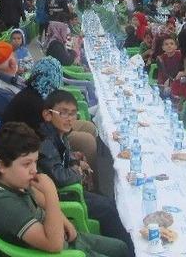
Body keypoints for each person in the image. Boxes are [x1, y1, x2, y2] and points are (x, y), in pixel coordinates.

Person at [0, 122, 128, 257]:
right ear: (2, 166)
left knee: (121, 247)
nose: (33, 170)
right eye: (26, 164)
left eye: (35, 162)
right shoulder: (1, 204)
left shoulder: (16, 182)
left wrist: (65, 222)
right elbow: (54, 245)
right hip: (54, 251)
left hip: (63, 237)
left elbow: (41, 201)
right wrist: (51, 193)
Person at [37, 91, 134, 252]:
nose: (69, 118)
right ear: (48, 115)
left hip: (64, 190)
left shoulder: (58, 134)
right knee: (110, 209)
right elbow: (59, 177)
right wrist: (78, 172)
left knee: (112, 202)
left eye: (73, 114)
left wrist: (75, 162)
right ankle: (126, 250)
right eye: (63, 113)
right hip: (60, 195)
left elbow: (63, 160)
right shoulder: (46, 141)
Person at [1, 57, 98, 167]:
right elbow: (47, 134)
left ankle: (88, 168)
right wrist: (71, 157)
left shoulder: (38, 91)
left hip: (44, 130)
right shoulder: (34, 102)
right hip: (27, 144)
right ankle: (88, 176)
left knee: (89, 127)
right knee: (88, 142)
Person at [0, 42, 26, 119]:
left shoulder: (9, 77)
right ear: (12, 64)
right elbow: (25, 118)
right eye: (14, 57)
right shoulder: (0, 94)